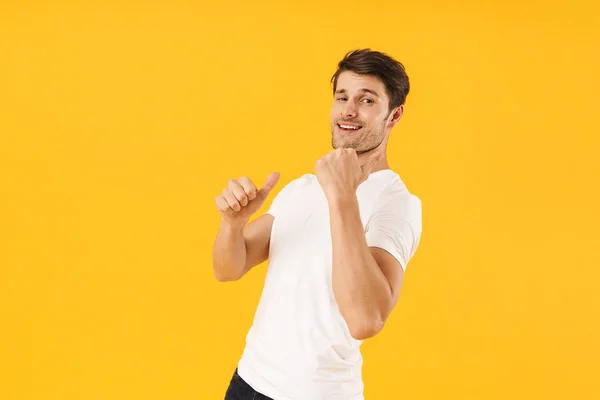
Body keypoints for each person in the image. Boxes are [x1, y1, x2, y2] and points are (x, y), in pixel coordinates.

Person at [213, 48, 423, 400]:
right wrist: (232, 225)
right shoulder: (303, 188)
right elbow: (227, 269)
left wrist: (342, 197)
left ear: (394, 115)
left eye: (366, 100)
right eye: (342, 97)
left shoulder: (397, 203)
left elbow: (366, 320)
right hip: (248, 381)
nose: (349, 110)